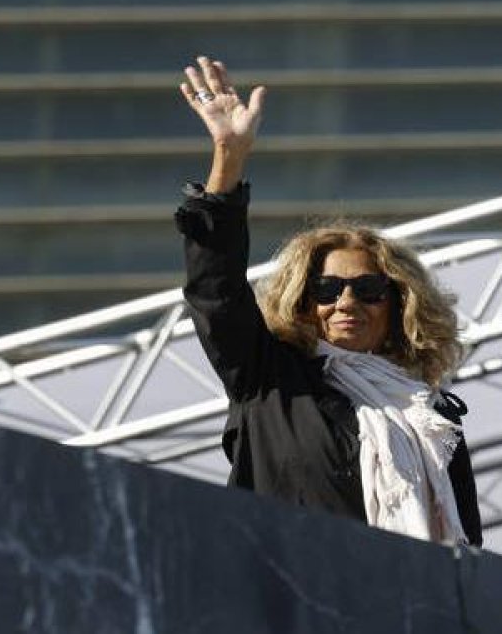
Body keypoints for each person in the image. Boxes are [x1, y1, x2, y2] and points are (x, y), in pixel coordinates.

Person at [174, 56, 480, 545]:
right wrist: (227, 160)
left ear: (399, 305)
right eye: (327, 289)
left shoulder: (433, 415)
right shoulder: (271, 382)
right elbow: (217, 293)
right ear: (303, 301)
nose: (347, 302)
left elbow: (468, 545)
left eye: (369, 289)